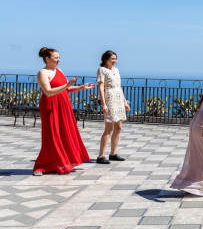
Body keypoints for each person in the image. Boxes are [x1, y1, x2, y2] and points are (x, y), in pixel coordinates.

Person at [33, 47, 96, 176]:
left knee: (64, 132)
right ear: (47, 58)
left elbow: (66, 89)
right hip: (50, 106)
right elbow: (48, 92)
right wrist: (67, 86)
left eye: (59, 58)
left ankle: (63, 161)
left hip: (64, 105)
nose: (58, 60)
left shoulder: (59, 70)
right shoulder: (42, 73)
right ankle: (42, 165)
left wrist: (82, 87)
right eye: (56, 58)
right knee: (52, 135)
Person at [95, 50, 130, 164]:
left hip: (119, 99)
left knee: (118, 127)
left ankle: (113, 154)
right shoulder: (101, 70)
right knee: (109, 128)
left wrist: (125, 102)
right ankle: (101, 156)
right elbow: (101, 87)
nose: (114, 61)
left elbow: (119, 87)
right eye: (112, 59)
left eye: (115, 59)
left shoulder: (116, 70)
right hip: (109, 98)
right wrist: (103, 103)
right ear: (106, 59)